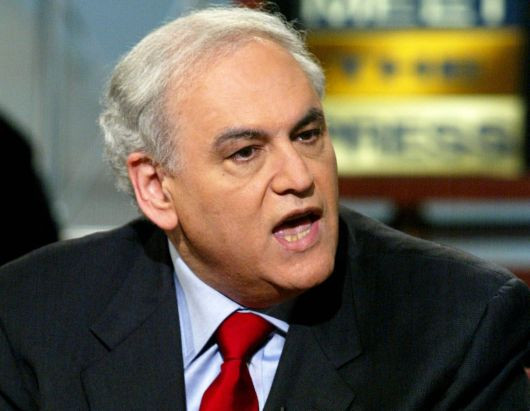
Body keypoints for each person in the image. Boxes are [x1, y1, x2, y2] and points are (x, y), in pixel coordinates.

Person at [0, 6, 528, 410]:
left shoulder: (460, 325)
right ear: (157, 187)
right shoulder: (30, 315)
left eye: (307, 135)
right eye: (246, 153)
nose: (299, 178)